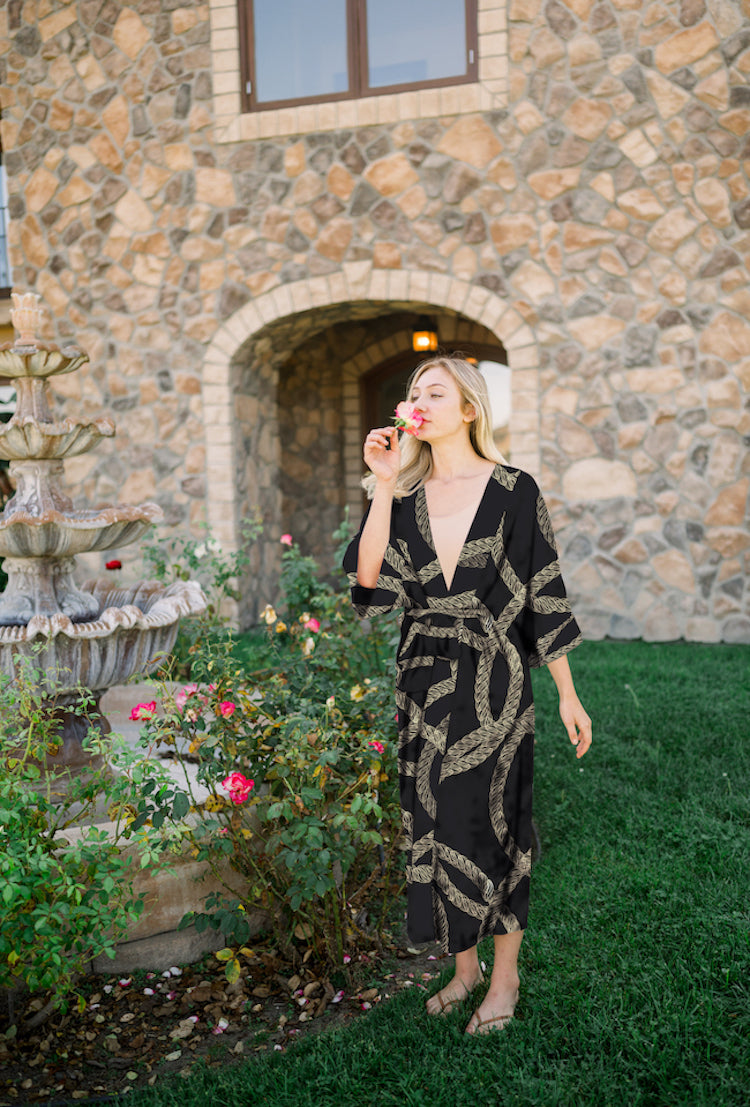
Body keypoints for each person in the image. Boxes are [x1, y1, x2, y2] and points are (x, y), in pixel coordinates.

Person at [343, 355, 591, 1035]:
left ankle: (503, 975)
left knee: (496, 821)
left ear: (468, 408)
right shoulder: (407, 493)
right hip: (423, 680)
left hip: (497, 683)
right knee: (434, 822)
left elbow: (544, 591)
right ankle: (463, 969)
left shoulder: (514, 489)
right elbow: (368, 585)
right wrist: (384, 487)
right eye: (412, 391)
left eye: (434, 390)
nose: (417, 399)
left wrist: (567, 692)